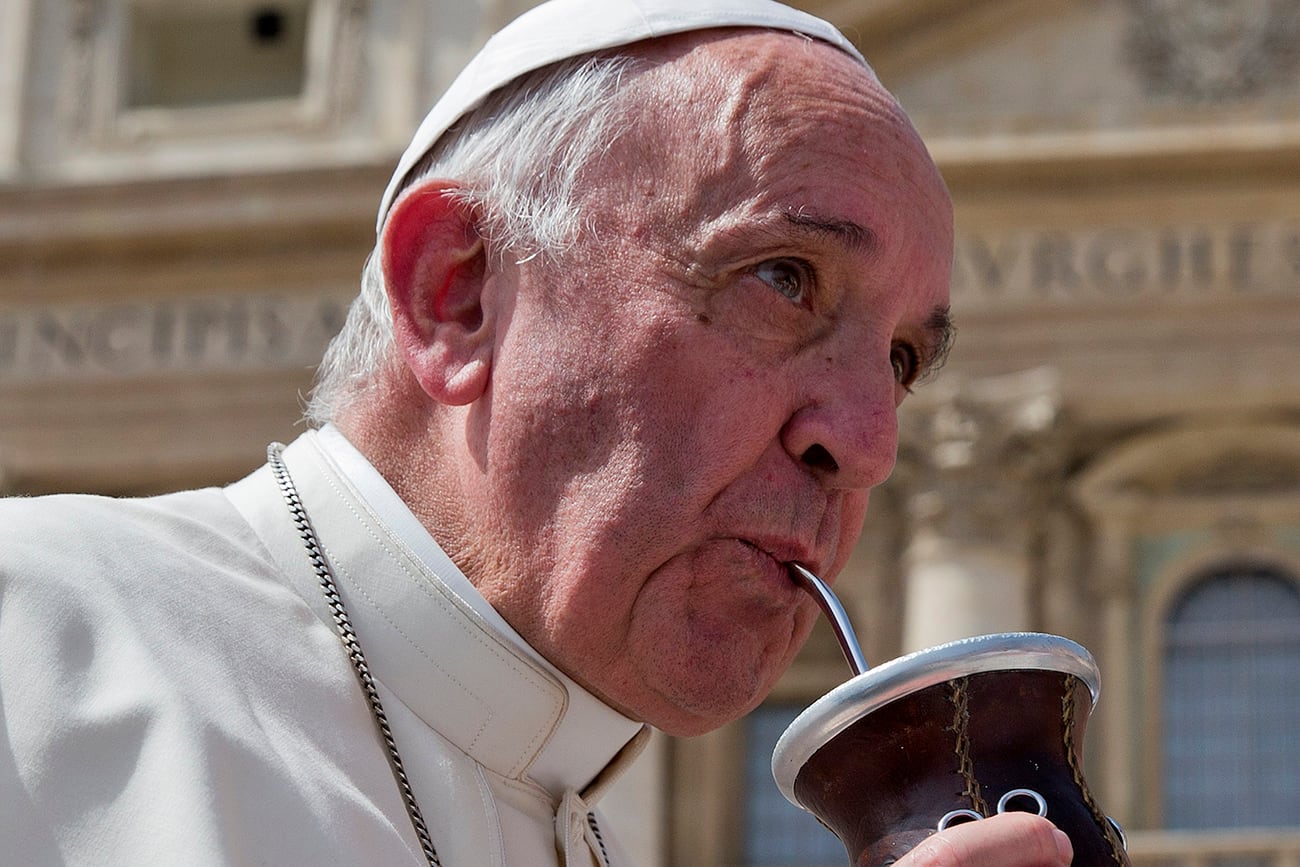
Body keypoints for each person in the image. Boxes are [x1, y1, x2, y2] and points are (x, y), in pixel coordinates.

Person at [0, 0, 1075, 865]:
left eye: (900, 361)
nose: (871, 446)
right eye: (783, 279)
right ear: (457, 293)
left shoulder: (581, 816)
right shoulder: (31, 646)